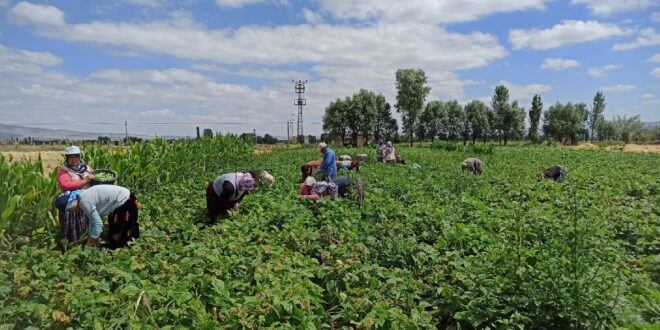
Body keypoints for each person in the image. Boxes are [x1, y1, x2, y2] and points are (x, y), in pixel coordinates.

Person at [65, 184, 140, 249]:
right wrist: (92, 236)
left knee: (122, 231)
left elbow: (98, 224)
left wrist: (89, 244)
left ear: (73, 201)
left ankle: (124, 252)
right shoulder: (83, 195)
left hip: (124, 201)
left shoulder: (84, 202)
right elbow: (93, 220)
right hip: (121, 199)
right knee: (114, 229)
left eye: (70, 209)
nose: (73, 211)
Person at [55, 146, 94, 243]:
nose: (74, 160)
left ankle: (87, 241)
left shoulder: (87, 168)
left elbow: (95, 177)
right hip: (72, 202)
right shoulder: (64, 170)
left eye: (76, 157)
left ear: (79, 157)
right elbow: (65, 185)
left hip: (87, 200)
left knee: (87, 223)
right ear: (67, 159)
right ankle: (71, 244)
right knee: (73, 226)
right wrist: (84, 181)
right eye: (71, 157)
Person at [298, 176, 365, 207]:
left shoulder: (317, 187)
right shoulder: (315, 185)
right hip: (350, 183)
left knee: (359, 204)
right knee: (351, 203)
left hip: (355, 183)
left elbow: (316, 197)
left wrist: (302, 196)